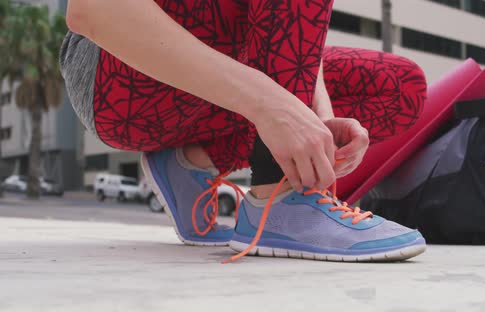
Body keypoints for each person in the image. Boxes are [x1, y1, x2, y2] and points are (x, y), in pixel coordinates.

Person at [61, 0, 428, 262]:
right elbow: (92, 10)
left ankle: (190, 162)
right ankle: (280, 196)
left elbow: (285, 25)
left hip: (207, 78)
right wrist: (269, 105)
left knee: (398, 87)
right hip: (119, 81)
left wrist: (314, 115)